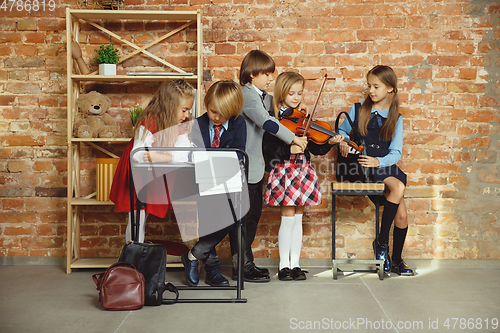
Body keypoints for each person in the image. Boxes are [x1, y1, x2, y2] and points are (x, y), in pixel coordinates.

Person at [263, 72, 344, 280]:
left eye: (300, 93)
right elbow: (268, 150)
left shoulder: (302, 120)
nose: (296, 98)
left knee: (298, 218)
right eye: (291, 93)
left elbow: (316, 149)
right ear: (281, 93)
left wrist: (329, 143)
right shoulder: (274, 120)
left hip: (303, 169)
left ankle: (296, 264)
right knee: (288, 218)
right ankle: (283, 266)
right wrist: (289, 150)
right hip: (285, 171)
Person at [238, 50, 308, 282]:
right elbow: (268, 121)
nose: (270, 79)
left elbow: (279, 107)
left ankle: (247, 262)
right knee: (245, 217)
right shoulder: (247, 95)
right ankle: (242, 264)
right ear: (251, 74)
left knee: (253, 215)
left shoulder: (264, 96)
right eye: (266, 74)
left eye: (271, 74)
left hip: (257, 166)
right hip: (244, 165)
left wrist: (297, 112)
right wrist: (294, 139)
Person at [338, 65, 413, 276]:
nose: (371, 90)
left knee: (402, 215)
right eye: (369, 86)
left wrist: (379, 162)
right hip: (364, 165)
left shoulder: (396, 118)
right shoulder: (358, 109)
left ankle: (396, 260)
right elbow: (342, 132)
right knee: (398, 186)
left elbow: (396, 152)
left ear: (390, 88)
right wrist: (344, 141)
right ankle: (381, 244)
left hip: (384, 164)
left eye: (376, 86)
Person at [109, 80, 195, 242]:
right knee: (137, 216)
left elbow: (186, 153)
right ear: (170, 104)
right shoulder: (149, 121)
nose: (187, 115)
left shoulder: (181, 126)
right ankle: (132, 256)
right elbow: (138, 153)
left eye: (188, 111)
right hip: (137, 172)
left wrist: (163, 157)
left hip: (154, 172)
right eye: (184, 110)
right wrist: (159, 157)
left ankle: (136, 254)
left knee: (143, 215)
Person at [181, 80, 246, 287]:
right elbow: (191, 155)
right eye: (212, 111)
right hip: (203, 181)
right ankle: (213, 271)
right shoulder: (198, 124)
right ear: (206, 104)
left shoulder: (239, 124)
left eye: (222, 114)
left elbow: (238, 155)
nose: (216, 118)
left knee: (231, 219)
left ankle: (193, 255)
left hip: (228, 182)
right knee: (209, 223)